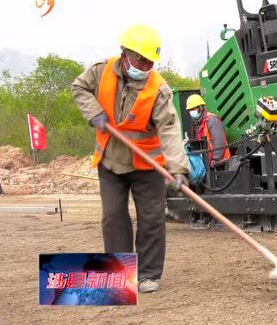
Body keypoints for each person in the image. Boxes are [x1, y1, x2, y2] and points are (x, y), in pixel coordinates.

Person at [71, 24, 190, 293]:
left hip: (148, 165)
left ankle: (148, 275)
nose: (146, 65)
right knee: (113, 216)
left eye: (150, 61)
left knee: (151, 218)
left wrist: (178, 168)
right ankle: (118, 274)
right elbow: (79, 88)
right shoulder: (100, 71)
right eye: (141, 59)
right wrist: (94, 113)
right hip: (110, 161)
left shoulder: (159, 89)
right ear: (125, 53)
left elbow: (170, 128)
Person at [185, 94, 231, 167]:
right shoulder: (196, 123)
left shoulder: (212, 120)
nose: (191, 112)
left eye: (193, 109)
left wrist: (216, 160)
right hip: (207, 163)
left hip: (221, 164)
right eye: (190, 110)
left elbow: (219, 141)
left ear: (200, 108)